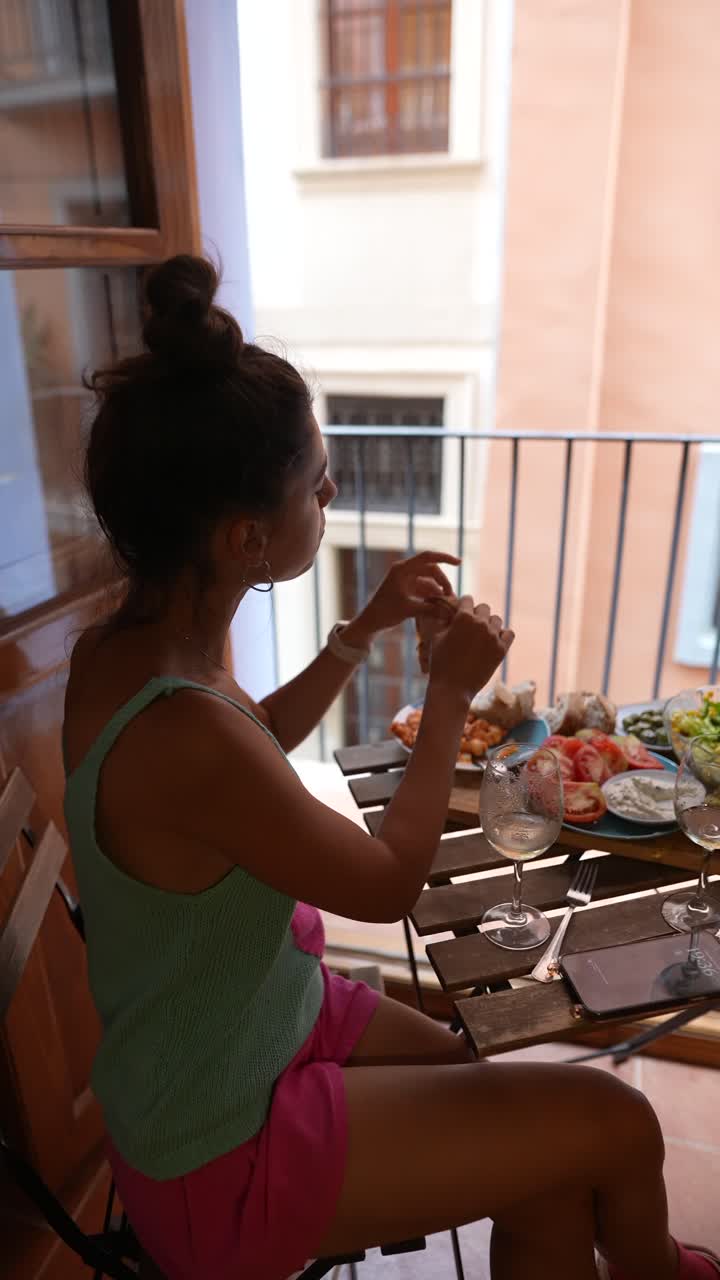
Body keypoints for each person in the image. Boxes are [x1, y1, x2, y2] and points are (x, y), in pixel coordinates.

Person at [63, 255, 719, 1280]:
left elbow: (251, 741)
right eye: (314, 480)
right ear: (246, 536)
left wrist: (361, 630)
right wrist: (453, 691)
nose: (330, 491)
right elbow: (386, 882)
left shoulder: (128, 652)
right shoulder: (181, 727)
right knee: (613, 1117)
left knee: (538, 1148)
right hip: (219, 1146)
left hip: (247, 1031)